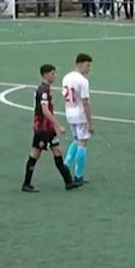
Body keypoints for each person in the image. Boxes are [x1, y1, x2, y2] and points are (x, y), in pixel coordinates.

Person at [23, 64, 79, 193]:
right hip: (42, 129)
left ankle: (68, 182)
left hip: (48, 129)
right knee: (35, 154)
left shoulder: (46, 89)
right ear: (46, 74)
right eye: (53, 73)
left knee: (57, 151)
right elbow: (45, 110)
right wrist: (57, 125)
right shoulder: (43, 90)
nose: (54, 76)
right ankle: (26, 183)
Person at [62, 54, 94, 185]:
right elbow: (85, 103)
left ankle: (65, 165)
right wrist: (90, 122)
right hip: (80, 114)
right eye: (88, 65)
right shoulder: (83, 81)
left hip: (69, 112)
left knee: (76, 140)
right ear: (80, 64)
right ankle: (78, 175)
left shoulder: (66, 77)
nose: (89, 69)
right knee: (83, 143)